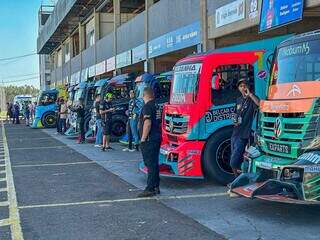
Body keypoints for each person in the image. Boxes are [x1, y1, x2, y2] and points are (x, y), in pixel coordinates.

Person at [230, 78, 260, 176]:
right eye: (241, 86)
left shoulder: (252, 98)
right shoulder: (238, 100)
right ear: (238, 88)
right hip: (236, 132)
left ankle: (236, 180)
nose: (243, 88)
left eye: (245, 86)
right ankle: (237, 179)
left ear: (248, 87)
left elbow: (260, 104)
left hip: (245, 133)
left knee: (234, 161)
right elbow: (235, 113)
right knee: (234, 157)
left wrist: (250, 94)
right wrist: (234, 120)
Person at [137, 87, 162, 198]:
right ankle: (156, 186)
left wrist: (143, 138)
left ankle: (150, 188)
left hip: (149, 139)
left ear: (145, 95)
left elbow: (147, 123)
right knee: (154, 163)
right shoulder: (157, 106)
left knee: (150, 164)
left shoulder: (147, 107)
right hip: (156, 137)